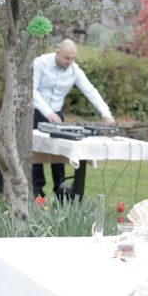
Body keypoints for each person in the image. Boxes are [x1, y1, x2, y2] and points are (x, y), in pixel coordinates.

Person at [32, 39, 115, 197]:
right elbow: (31, 90)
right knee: (36, 152)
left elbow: (90, 91)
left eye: (73, 58)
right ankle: (37, 191)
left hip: (57, 114)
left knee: (59, 150)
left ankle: (60, 189)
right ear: (58, 53)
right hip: (36, 111)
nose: (70, 62)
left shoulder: (74, 70)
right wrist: (47, 112)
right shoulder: (40, 63)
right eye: (67, 58)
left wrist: (107, 114)